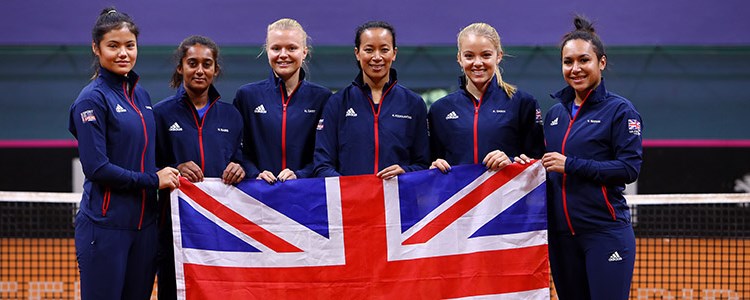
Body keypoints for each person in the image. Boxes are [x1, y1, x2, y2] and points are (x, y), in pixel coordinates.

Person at [68, 7, 180, 299]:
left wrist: (177, 167)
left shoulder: (141, 96)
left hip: (145, 229)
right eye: (113, 46)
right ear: (96, 48)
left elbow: (145, 154)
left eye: (129, 46)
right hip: (105, 229)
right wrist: (153, 180)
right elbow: (97, 168)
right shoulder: (91, 100)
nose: (123, 53)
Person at [542, 15, 643, 300]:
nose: (575, 68)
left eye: (583, 60)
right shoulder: (554, 115)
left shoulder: (621, 111)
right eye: (568, 62)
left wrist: (570, 165)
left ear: (601, 62)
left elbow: (628, 168)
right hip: (561, 239)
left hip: (604, 233)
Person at [153, 35, 247, 300]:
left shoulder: (232, 115)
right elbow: (150, 167)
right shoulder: (161, 114)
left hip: (222, 229)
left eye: (207, 64)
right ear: (180, 67)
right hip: (175, 231)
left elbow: (242, 158)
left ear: (215, 70)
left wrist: (240, 167)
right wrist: (175, 167)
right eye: (192, 63)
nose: (200, 70)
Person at [314, 21, 429, 178]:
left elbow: (424, 164)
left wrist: (406, 172)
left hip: (398, 200)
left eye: (384, 50)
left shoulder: (414, 104)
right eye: (369, 50)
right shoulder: (337, 103)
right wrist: (351, 189)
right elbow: (322, 164)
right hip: (351, 200)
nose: (377, 57)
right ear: (357, 53)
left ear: (394, 53)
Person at [428, 23, 544, 173]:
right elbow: (429, 161)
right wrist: (434, 166)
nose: (477, 63)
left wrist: (510, 160)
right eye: (469, 56)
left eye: (486, 55)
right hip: (459, 195)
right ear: (459, 59)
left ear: (499, 56)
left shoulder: (523, 103)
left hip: (506, 195)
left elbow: (539, 164)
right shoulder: (440, 109)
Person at [233, 18, 332, 184]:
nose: (283, 54)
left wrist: (301, 174)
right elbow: (236, 149)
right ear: (267, 51)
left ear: (304, 52)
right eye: (276, 48)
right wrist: (254, 173)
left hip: (306, 194)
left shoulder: (322, 98)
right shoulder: (247, 96)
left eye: (292, 48)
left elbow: (327, 153)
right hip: (258, 195)